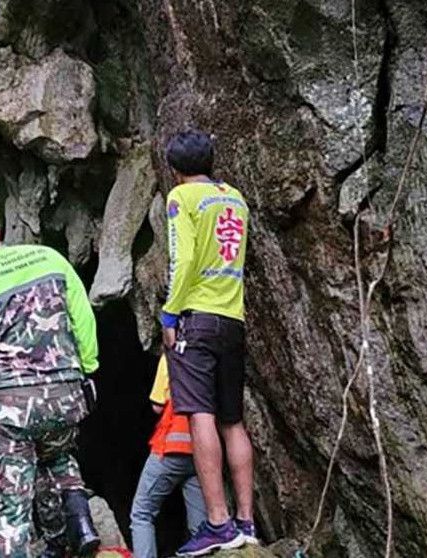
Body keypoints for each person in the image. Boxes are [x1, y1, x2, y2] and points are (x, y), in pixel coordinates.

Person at [0, 207, 101, 558]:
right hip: (66, 393)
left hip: (13, 406)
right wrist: (87, 370)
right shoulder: (50, 258)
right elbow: (84, 319)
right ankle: (76, 521)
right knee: (56, 454)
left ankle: (24, 546)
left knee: (9, 507)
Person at [159, 131, 257, 556]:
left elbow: (183, 260)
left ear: (176, 170)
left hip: (196, 320)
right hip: (232, 319)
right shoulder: (235, 198)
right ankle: (246, 522)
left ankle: (218, 522)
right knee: (233, 420)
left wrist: (169, 313)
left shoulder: (182, 198)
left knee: (201, 414)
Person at [130, 355, 206, 558]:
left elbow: (157, 405)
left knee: (141, 513)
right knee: (201, 528)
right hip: (202, 453)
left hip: (171, 446)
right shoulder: (210, 356)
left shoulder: (172, 355)